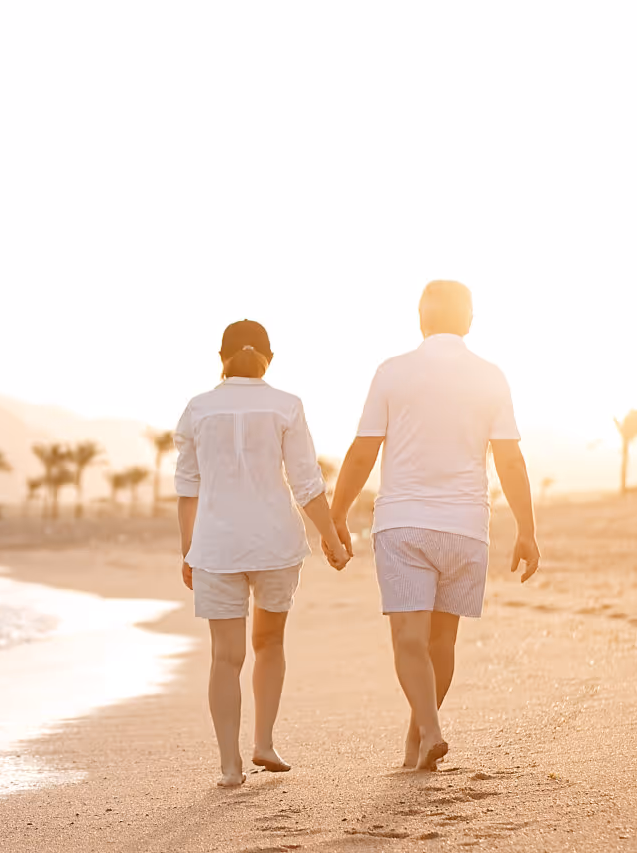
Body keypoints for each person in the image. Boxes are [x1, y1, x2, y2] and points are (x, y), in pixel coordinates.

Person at [329, 281, 540, 771]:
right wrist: (527, 528)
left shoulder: (392, 371)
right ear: (469, 321)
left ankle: (431, 732)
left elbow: (364, 450)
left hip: (403, 524)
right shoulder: (492, 376)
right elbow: (509, 458)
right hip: (467, 527)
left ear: (420, 320)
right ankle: (418, 743)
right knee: (441, 643)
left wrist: (337, 515)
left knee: (408, 640)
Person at [176, 319, 350, 788]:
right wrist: (331, 539)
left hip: (215, 547)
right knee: (269, 644)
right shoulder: (286, 406)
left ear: (221, 358)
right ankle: (265, 744)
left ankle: (230, 766)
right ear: (268, 358)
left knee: (224, 657)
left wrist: (187, 549)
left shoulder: (198, 409)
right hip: (275, 543)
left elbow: (188, 488)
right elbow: (307, 482)